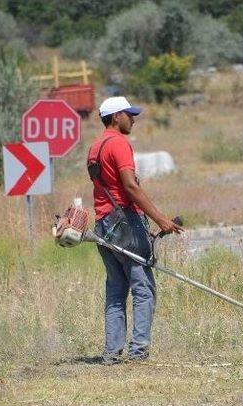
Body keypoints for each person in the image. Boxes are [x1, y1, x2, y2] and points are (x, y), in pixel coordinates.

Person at [87, 96, 183, 364]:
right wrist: (161, 220)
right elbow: (130, 186)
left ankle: (111, 353)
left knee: (116, 288)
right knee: (144, 289)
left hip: (103, 225)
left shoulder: (95, 146)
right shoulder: (119, 143)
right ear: (116, 117)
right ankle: (139, 352)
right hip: (125, 224)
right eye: (129, 114)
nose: (133, 119)